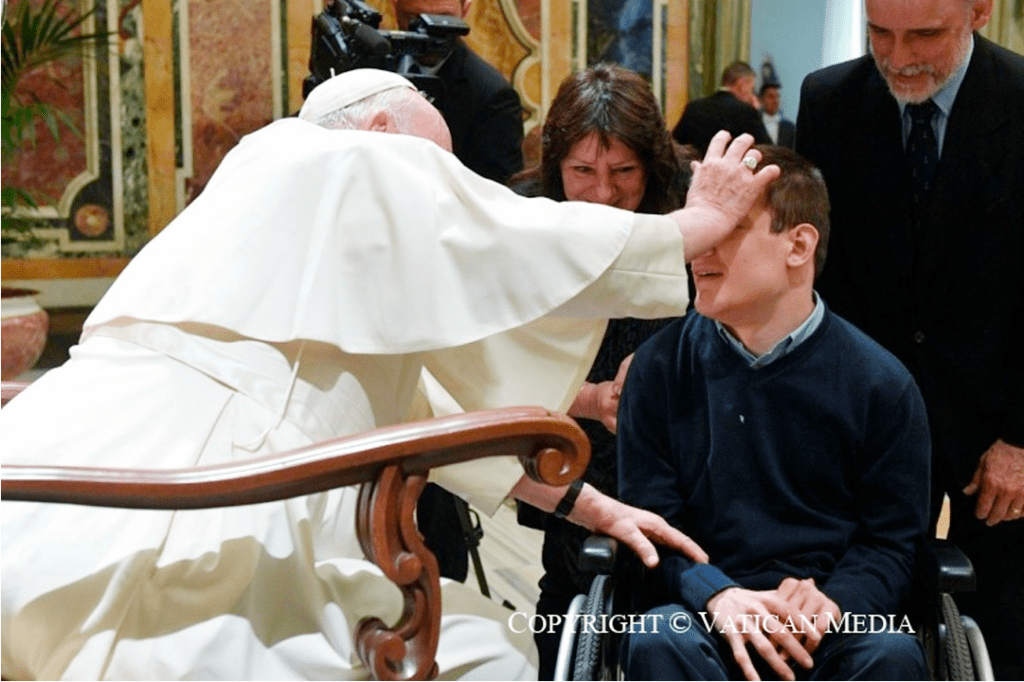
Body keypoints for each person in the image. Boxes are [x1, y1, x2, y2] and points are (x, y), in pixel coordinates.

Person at [0, 69, 778, 680]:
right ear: (379, 131)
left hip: (37, 509)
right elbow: (495, 234)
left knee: (485, 643)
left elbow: (441, 420)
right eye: (438, 175)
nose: (444, 199)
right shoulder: (325, 155)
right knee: (486, 651)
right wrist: (690, 229)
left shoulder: (277, 230)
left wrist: (599, 510)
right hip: (204, 531)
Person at [617, 146, 930, 681]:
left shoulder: (881, 384)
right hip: (707, 612)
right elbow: (652, 528)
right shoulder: (659, 369)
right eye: (697, 228)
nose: (698, 251)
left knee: (892, 653)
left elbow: (892, 543)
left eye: (728, 228)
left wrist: (836, 603)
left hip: (826, 617)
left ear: (798, 245)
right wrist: (717, 593)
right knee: (656, 638)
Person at [795, 1, 1024, 677]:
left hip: (996, 422)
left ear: (979, 11)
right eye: (879, 33)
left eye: (924, 34)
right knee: (869, 622)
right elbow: (816, 269)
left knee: (1004, 626)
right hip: (863, 413)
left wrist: (1021, 436)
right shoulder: (829, 100)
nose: (897, 57)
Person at [508, 63, 689, 679]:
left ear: (654, 165)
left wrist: (672, 359)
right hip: (570, 426)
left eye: (624, 173)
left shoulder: (689, 207)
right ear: (556, 162)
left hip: (677, 436)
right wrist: (587, 398)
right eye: (583, 172)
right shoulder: (522, 215)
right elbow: (498, 357)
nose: (604, 194)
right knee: (570, 578)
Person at [391, 0, 523, 185]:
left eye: (444, 19)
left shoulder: (492, 96)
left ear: (465, 9)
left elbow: (495, 196)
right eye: (415, 19)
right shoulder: (366, 61)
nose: (430, 31)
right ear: (394, 6)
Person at [672, 61, 772, 154]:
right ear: (741, 84)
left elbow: (675, 143)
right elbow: (767, 149)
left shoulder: (694, 107)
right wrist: (758, 111)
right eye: (751, 89)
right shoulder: (745, 111)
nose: (752, 95)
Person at [759, 82, 795, 148]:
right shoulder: (754, 125)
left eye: (777, 96)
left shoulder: (790, 127)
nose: (775, 100)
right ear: (761, 100)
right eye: (770, 96)